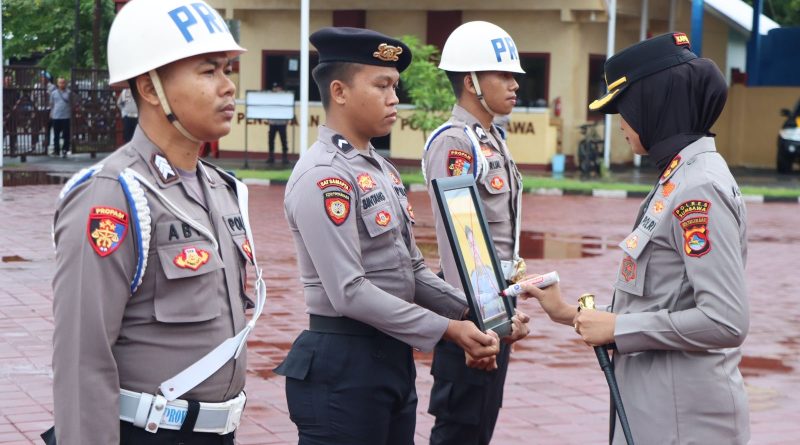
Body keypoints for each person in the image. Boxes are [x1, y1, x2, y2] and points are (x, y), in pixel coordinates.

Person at [275, 27, 528, 445]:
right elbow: (349, 291)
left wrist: (482, 313)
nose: (395, 98)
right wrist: (449, 330)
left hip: (391, 357)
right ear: (339, 91)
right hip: (344, 363)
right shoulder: (325, 175)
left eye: (395, 86)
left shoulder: (381, 170)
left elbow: (412, 269)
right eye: (382, 86)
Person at [49, 1, 264, 444]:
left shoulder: (223, 190)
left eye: (227, 70)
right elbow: (81, 358)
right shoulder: (111, 195)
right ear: (150, 88)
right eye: (209, 72)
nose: (228, 87)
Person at [520, 32, 750, 444]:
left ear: (655, 104)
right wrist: (568, 311)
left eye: (625, 108)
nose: (621, 124)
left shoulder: (698, 188)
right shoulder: (678, 177)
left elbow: (725, 320)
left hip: (685, 422)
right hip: (661, 411)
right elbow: (663, 300)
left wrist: (619, 328)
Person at [421, 21, 530, 445]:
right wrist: (478, 317)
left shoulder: (491, 138)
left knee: (481, 420)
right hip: (471, 306)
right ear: (471, 81)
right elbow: (456, 242)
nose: (514, 83)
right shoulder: (455, 143)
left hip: (496, 300)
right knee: (460, 426)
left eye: (514, 74)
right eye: (502, 74)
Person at [49, 77, 73, 157]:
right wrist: (51, 113)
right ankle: (56, 150)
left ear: (65, 83)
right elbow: (52, 104)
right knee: (56, 135)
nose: (62, 84)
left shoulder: (69, 93)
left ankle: (65, 149)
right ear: (57, 83)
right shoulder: (54, 93)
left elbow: (72, 102)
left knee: (66, 134)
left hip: (66, 116)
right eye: (60, 82)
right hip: (56, 116)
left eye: (63, 82)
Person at [267, 83, 290, 164]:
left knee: (283, 141)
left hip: (282, 123)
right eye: (274, 88)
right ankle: (271, 157)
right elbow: (268, 108)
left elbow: (287, 107)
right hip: (272, 122)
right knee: (271, 141)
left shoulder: (284, 96)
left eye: (277, 88)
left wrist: (287, 120)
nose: (275, 89)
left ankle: (285, 157)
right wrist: (268, 119)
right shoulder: (271, 97)